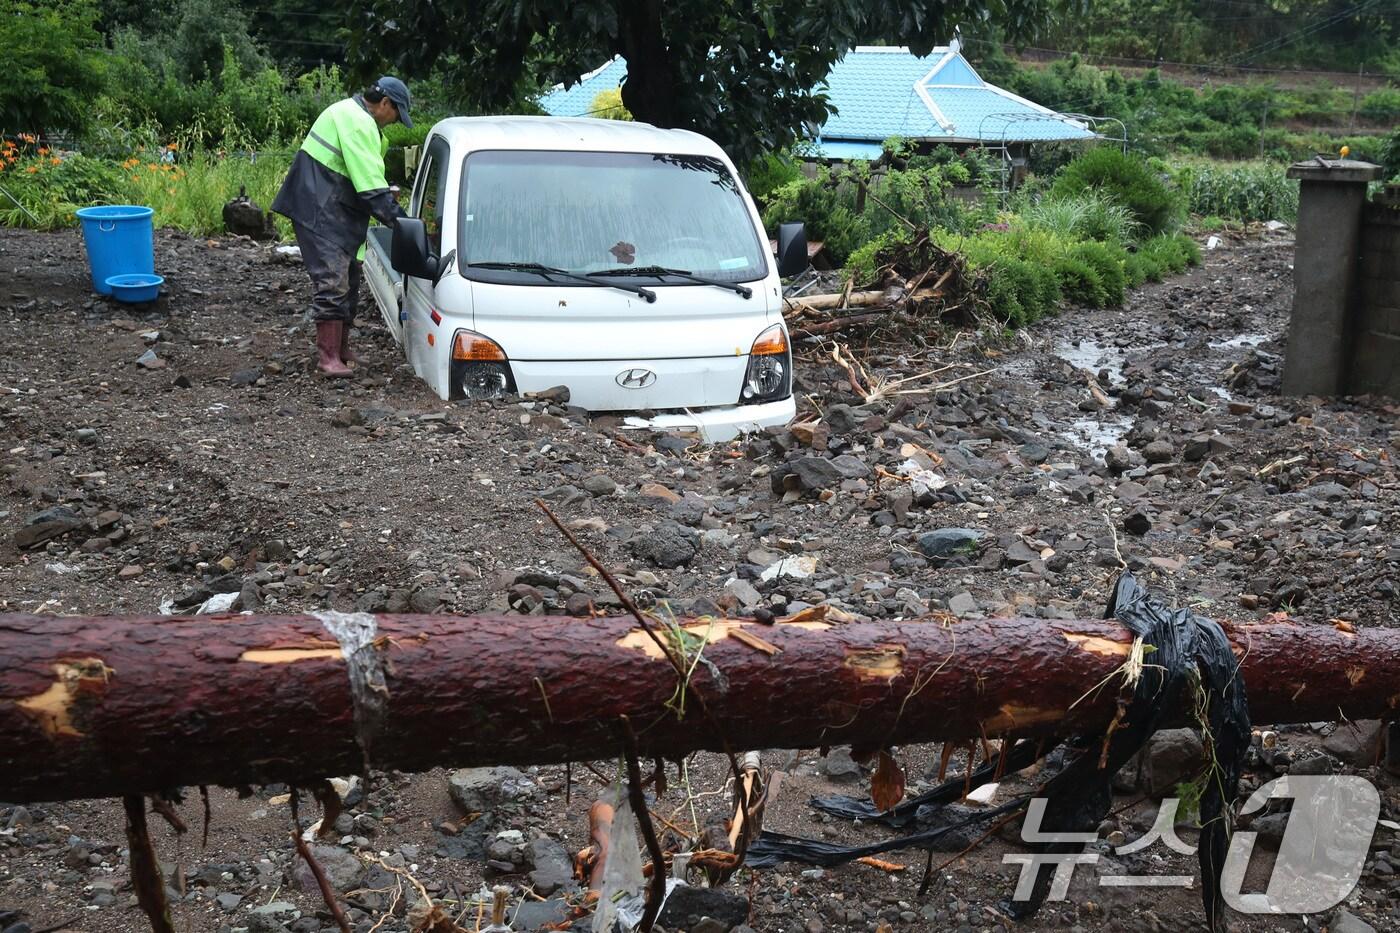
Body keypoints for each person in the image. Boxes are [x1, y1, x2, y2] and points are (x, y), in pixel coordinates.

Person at [272, 77, 413, 377]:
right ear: (385, 103)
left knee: (349, 277)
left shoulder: (356, 118)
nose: (396, 121)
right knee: (332, 280)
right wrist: (403, 223)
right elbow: (372, 189)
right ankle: (328, 358)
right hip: (318, 208)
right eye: (397, 114)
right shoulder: (357, 121)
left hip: (333, 205)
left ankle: (341, 348)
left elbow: (363, 178)